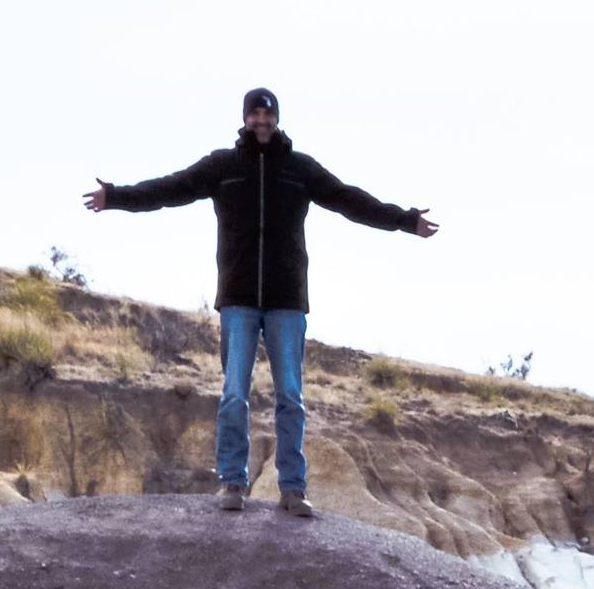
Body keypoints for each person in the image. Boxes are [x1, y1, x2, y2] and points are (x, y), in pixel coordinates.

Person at [84, 88, 437, 517]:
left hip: (288, 301)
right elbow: (169, 188)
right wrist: (116, 196)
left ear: (277, 119)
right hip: (238, 300)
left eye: (267, 114)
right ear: (245, 118)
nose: (261, 121)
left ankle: (292, 489)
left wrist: (405, 220)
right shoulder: (223, 167)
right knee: (234, 393)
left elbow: (350, 200)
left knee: (291, 396)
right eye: (254, 114)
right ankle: (232, 483)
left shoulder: (300, 169)